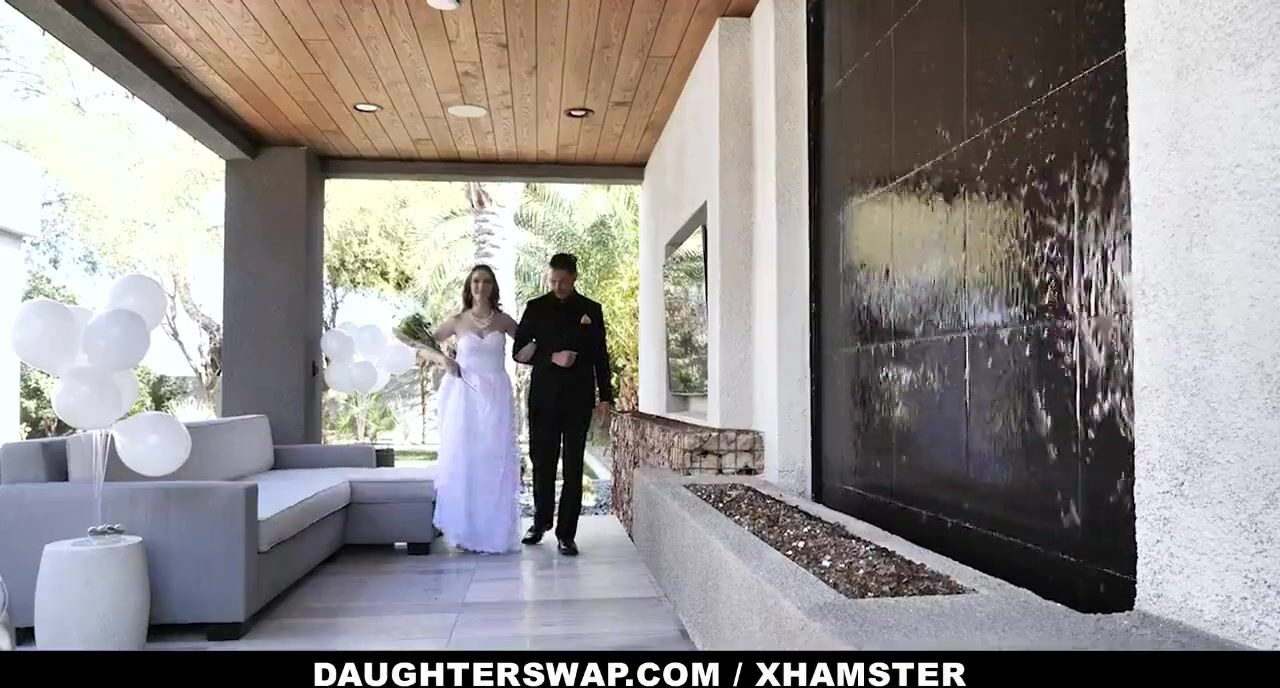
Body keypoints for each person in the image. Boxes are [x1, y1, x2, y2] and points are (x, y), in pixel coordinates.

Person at [417, 265, 531, 555]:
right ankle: (465, 530)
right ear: (470, 286)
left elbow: (527, 345)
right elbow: (420, 345)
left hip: (496, 395)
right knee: (466, 459)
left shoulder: (504, 321)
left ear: (493, 287)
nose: (481, 286)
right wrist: (443, 360)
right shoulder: (457, 321)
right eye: (476, 281)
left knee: (494, 460)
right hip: (464, 396)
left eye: (486, 281)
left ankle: (493, 531)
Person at [513, 253, 613, 556]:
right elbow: (518, 351)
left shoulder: (591, 310)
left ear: (574, 278)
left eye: (563, 281)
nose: (557, 286)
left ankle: (566, 534)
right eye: (553, 281)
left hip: (578, 399)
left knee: (573, 467)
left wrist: (605, 398)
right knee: (543, 463)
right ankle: (540, 521)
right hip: (543, 399)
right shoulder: (535, 308)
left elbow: (600, 356)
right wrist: (551, 357)